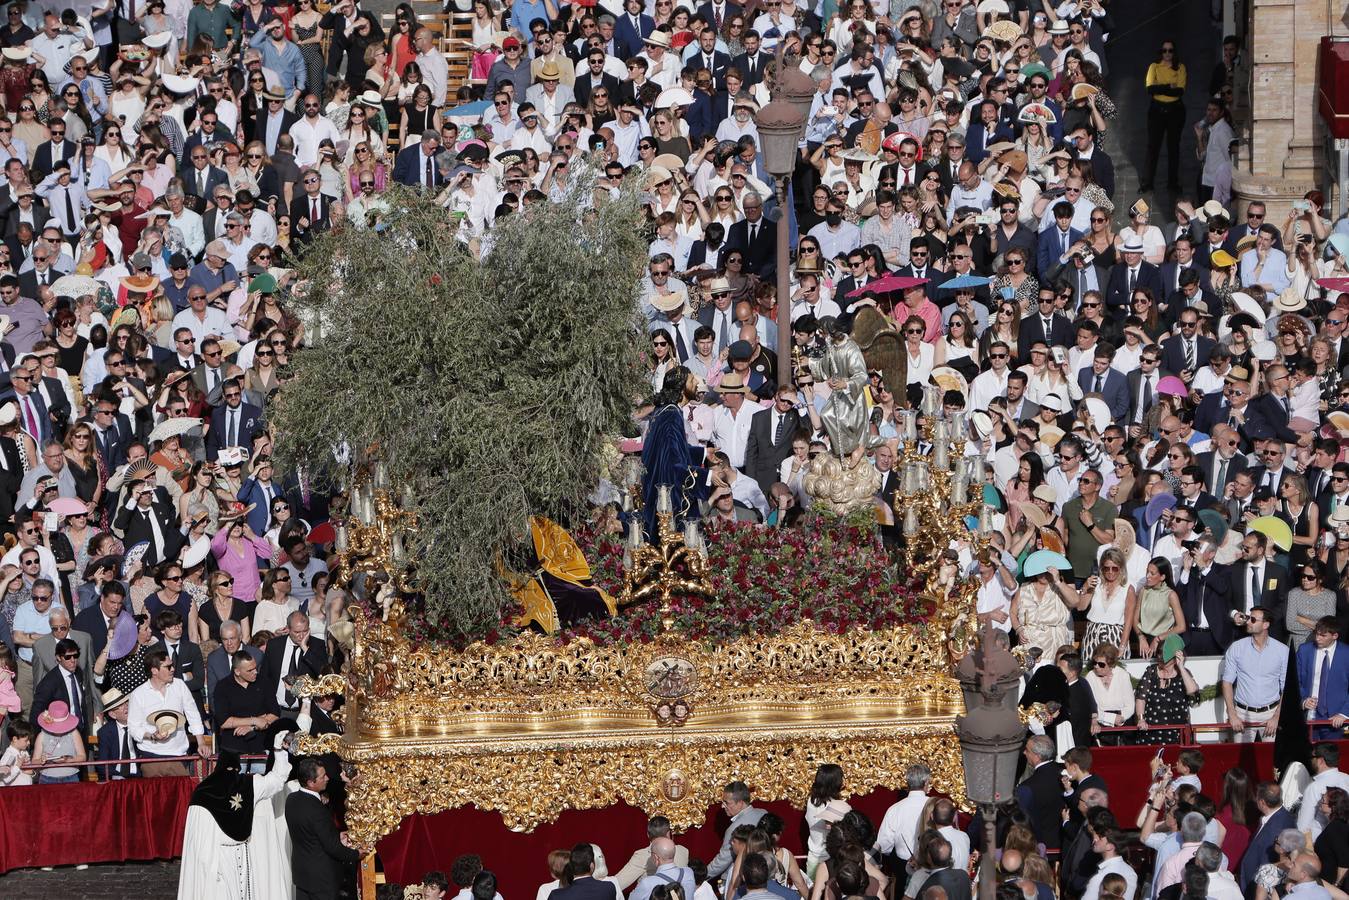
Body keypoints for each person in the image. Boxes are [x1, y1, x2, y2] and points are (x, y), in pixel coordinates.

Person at [178, 732, 295, 900]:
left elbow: (198, 841)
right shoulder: (249, 784)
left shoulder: (202, 793)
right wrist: (279, 751)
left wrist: (204, 869)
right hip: (237, 855)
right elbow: (277, 780)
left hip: (216, 859)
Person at [286, 755, 361, 900]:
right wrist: (356, 854)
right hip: (322, 880)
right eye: (323, 776)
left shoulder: (291, 800)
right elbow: (332, 848)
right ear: (310, 782)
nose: (327, 778)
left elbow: (309, 834)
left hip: (302, 877)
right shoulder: (317, 809)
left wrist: (336, 836)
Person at [1221, 606, 1289, 742]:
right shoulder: (1237, 648)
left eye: (1252, 620)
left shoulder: (1282, 651)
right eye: (1248, 618)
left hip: (1271, 714)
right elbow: (1227, 682)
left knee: (1271, 755)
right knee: (1241, 756)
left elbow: (1286, 686)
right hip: (1242, 714)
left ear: (1265, 624)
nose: (1247, 622)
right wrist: (1232, 714)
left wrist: (1277, 716)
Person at [707, 781, 765, 878]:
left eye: (726, 802)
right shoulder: (763, 813)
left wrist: (700, 877)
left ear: (740, 803)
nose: (722, 806)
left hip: (739, 878)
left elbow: (722, 861)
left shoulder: (734, 828)